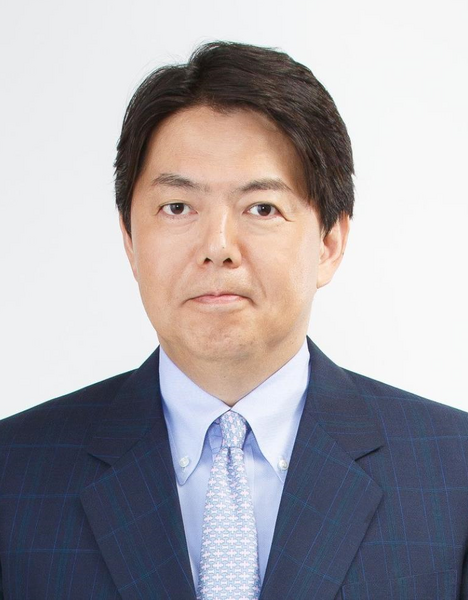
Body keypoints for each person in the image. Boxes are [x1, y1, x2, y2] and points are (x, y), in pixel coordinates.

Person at [0, 40, 466, 600]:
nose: (217, 247)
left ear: (329, 243)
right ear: (130, 240)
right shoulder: (14, 473)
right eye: (177, 207)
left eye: (261, 208)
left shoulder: (453, 469)